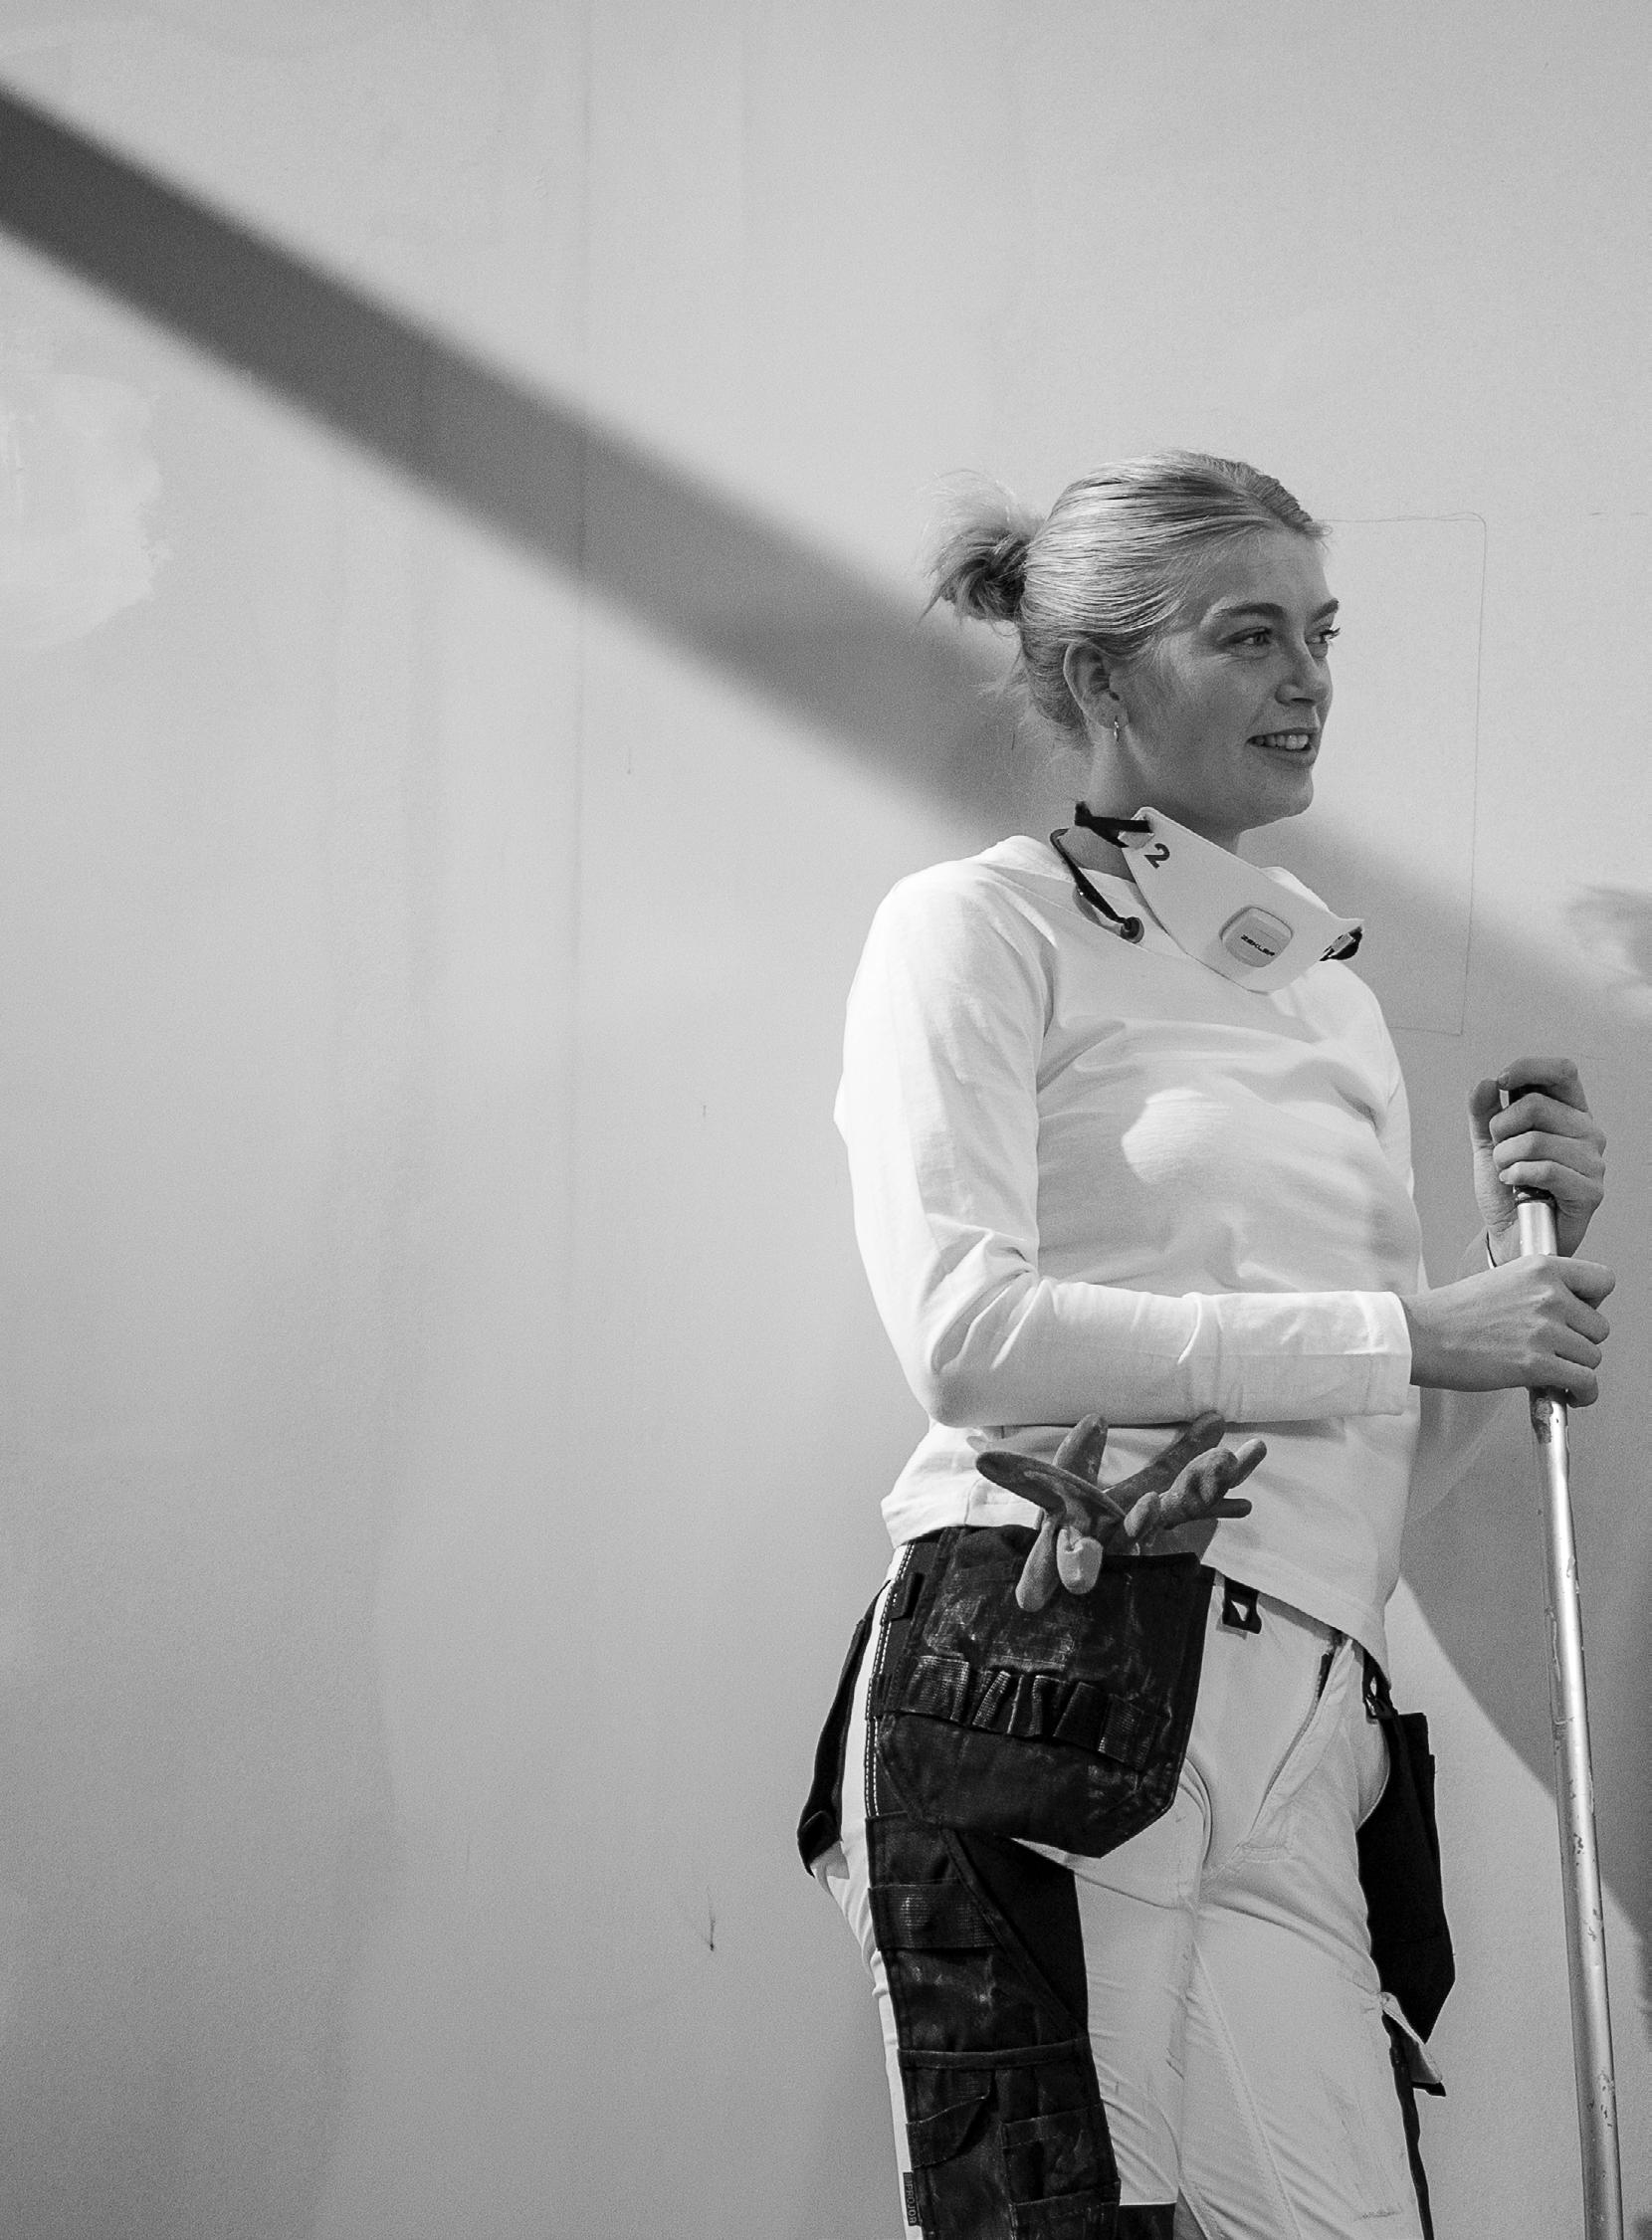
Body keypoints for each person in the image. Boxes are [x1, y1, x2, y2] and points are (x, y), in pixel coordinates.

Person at [797, 453, 1611, 2240]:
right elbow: (968, 1333)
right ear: (1101, 675)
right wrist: (1413, 1328)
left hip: (1312, 1720)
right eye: (1250, 637)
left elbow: (1375, 1442)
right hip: (1057, 1670)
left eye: (1322, 634)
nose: (1307, 681)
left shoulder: (1328, 997)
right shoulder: (977, 927)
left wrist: (1507, 1279)